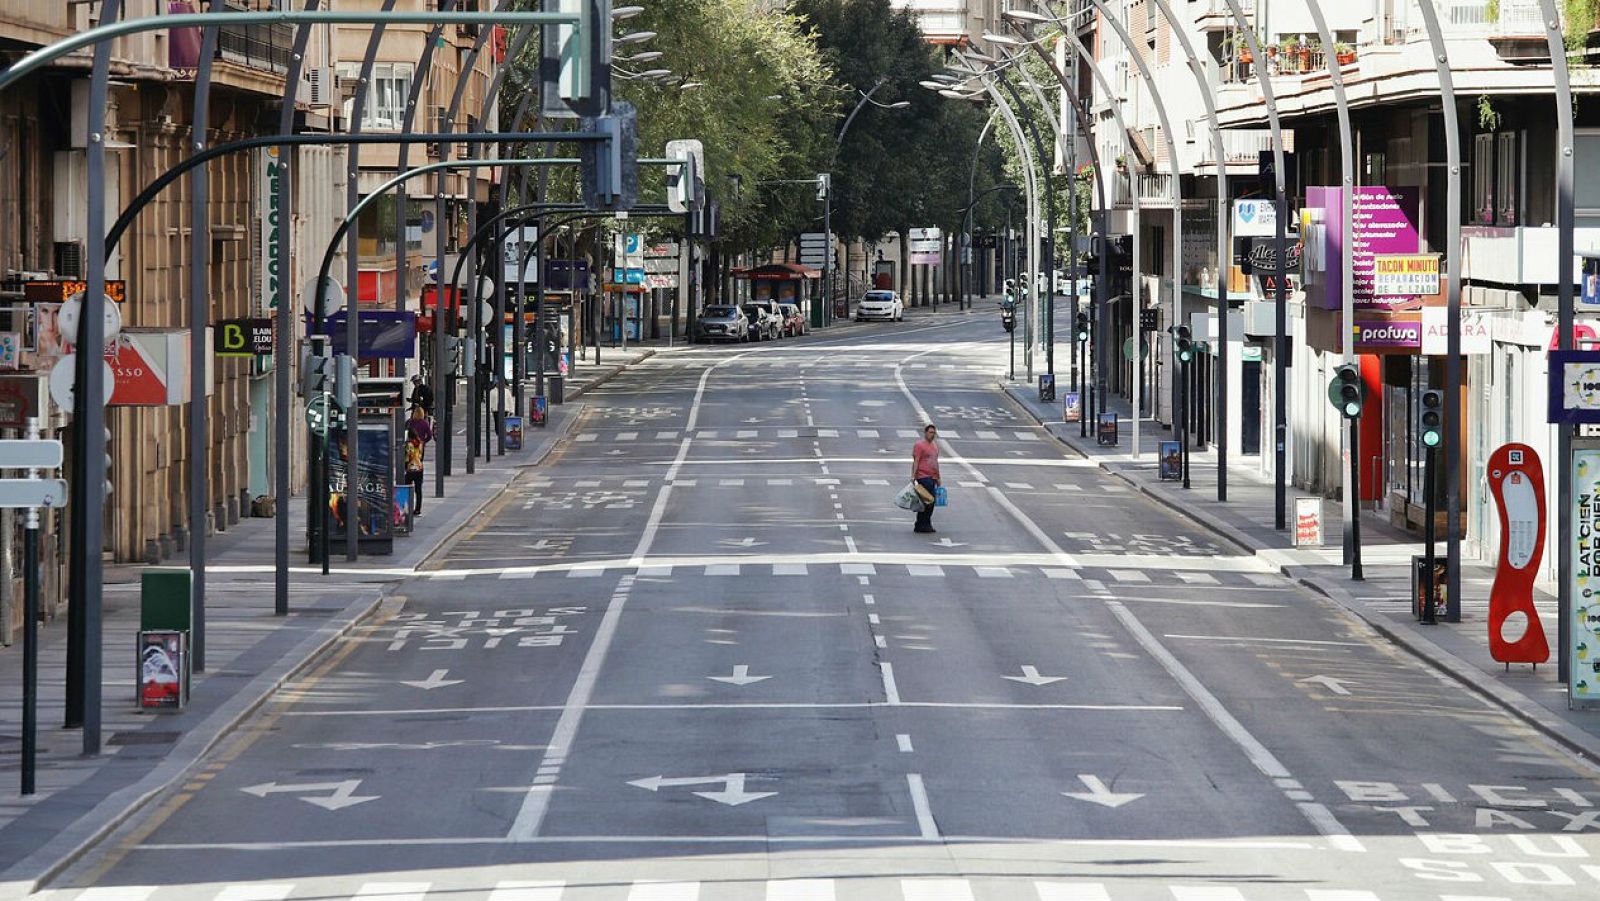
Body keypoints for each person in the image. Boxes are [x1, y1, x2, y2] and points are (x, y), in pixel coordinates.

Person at [910, 423, 941, 534]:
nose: (932, 435)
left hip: (932, 477)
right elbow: (916, 461)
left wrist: (938, 477)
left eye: (934, 433)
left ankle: (922, 524)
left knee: (929, 502)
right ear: (925, 433)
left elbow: (935, 462)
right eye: (930, 432)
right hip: (923, 477)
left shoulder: (934, 446)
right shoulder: (919, 445)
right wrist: (913, 476)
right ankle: (923, 524)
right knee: (928, 501)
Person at [404, 435, 425, 517]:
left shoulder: (409, 444)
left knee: (406, 489)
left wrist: (405, 466)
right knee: (418, 490)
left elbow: (407, 458)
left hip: (410, 469)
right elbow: (421, 456)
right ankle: (418, 510)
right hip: (419, 468)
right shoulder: (420, 443)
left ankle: (407, 508)